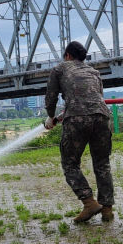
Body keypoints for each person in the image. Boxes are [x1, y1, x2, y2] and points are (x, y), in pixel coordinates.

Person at [45, 41, 114, 223]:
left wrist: (50, 116)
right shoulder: (94, 72)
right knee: (102, 163)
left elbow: (51, 96)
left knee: (70, 163)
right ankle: (107, 210)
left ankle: (89, 203)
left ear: (67, 55)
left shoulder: (59, 69)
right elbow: (95, 97)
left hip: (76, 118)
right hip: (101, 116)